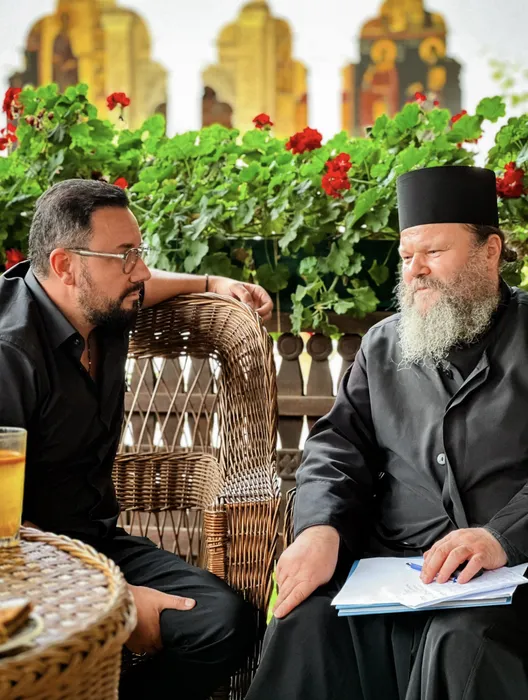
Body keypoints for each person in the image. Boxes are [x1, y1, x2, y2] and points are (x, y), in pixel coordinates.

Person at [247, 165, 528, 700]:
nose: (415, 270)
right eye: (406, 256)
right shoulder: (382, 346)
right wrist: (319, 528)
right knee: (305, 620)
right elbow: (336, 449)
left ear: (490, 252)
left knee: (460, 641)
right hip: (394, 572)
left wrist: (499, 538)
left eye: (434, 252)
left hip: (510, 575)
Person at [0, 179, 273, 700]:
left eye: (139, 251)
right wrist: (117, 599)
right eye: (125, 255)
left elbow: (148, 285)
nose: (141, 270)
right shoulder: (9, 354)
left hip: (97, 540)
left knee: (223, 623)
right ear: (64, 265)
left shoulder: (99, 306)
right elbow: (1, 526)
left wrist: (212, 281)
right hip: (22, 565)